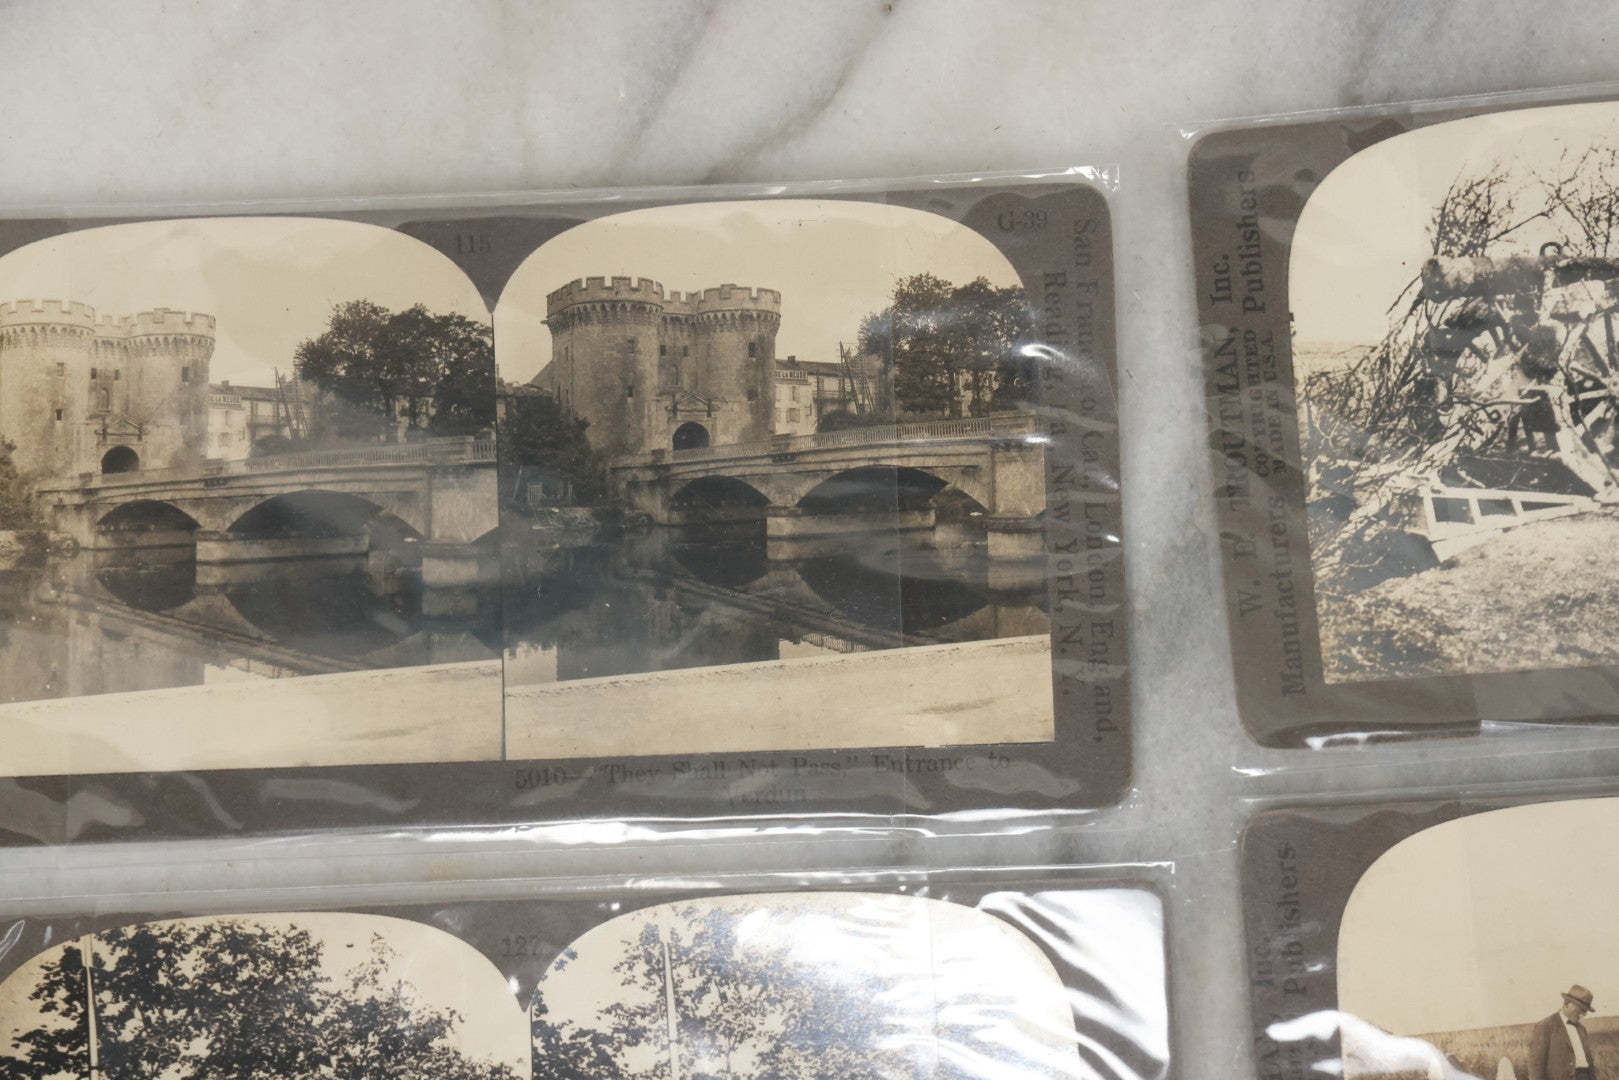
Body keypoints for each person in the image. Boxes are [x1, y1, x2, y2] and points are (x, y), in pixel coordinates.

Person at [1528, 984, 1598, 1080]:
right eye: (1579, 1010)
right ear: (1566, 1004)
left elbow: (1590, 1063)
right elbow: (1536, 1066)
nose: (1581, 1015)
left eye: (1584, 1012)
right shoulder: (1544, 1026)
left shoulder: (1582, 1029)